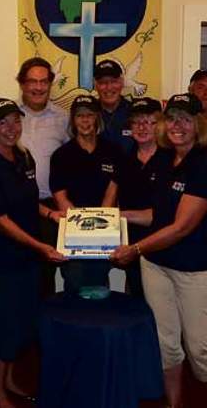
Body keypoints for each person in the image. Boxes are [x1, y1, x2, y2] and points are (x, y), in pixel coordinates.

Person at [111, 93, 207, 408]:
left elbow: (181, 227)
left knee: (201, 349)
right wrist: (114, 217)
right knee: (166, 343)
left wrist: (135, 248)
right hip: (156, 266)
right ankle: (174, 403)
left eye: (186, 119)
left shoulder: (206, 166)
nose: (177, 125)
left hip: (194, 270)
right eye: (172, 118)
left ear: (199, 124)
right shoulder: (165, 160)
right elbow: (157, 215)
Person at [0, 98, 66, 408]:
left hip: (28, 259)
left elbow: (28, 202)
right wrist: (40, 246)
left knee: (23, 322)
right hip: (2, 261)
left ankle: (10, 379)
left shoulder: (25, 159)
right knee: (4, 325)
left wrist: (51, 215)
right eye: (3, 122)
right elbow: (0, 220)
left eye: (15, 121)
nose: (11, 128)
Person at [50, 95, 120, 295]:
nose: (85, 120)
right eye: (80, 116)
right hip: (73, 234)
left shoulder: (112, 151)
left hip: (103, 234)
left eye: (90, 115)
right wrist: (81, 229)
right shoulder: (62, 155)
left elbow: (112, 191)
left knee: (99, 289)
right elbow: (60, 196)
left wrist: (98, 229)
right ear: (73, 120)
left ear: (97, 118)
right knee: (74, 286)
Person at [17, 57, 70, 297]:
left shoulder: (64, 118)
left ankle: (45, 320)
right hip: (16, 208)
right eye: (32, 81)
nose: (38, 87)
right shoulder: (9, 116)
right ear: (22, 84)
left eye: (43, 82)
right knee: (20, 271)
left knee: (47, 272)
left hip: (51, 209)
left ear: (50, 84)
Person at [117, 97, 168, 296]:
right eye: (137, 122)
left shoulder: (171, 159)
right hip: (131, 246)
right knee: (136, 299)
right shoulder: (124, 159)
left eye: (148, 121)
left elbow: (166, 213)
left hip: (162, 246)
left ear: (160, 125)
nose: (142, 127)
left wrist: (122, 215)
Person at [93, 59, 134, 153]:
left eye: (114, 81)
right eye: (103, 83)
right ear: (95, 85)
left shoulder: (135, 112)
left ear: (122, 82)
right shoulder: (89, 113)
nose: (109, 87)